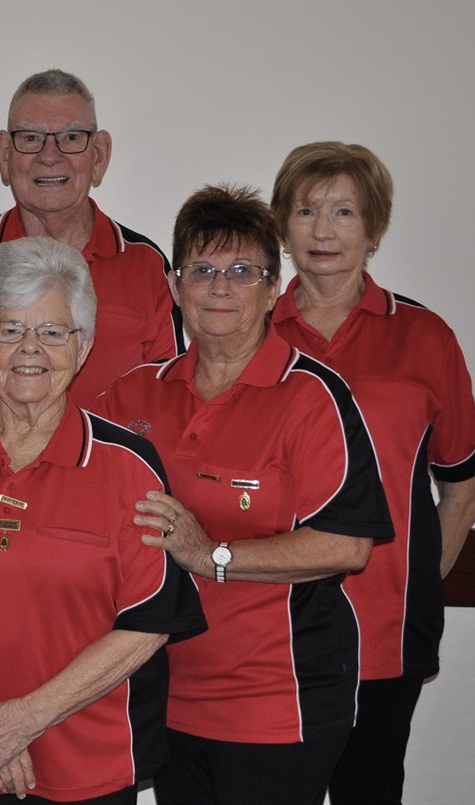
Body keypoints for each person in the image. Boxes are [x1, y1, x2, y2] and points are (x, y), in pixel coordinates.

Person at [97, 185, 394, 805]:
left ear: (271, 287)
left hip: (276, 705)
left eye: (241, 272)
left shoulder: (313, 397)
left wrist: (213, 556)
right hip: (161, 695)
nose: (221, 288)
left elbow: (348, 544)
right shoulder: (131, 397)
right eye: (201, 271)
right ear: (176, 289)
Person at [0, 237, 206, 803]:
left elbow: (147, 625)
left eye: (52, 332)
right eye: (9, 329)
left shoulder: (127, 467)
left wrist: (22, 720)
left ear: (84, 345)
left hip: (88, 765)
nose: (29, 349)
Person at [269, 142, 475, 805]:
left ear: (374, 230)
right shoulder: (249, 334)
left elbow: (463, 484)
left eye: (344, 211)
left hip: (386, 632)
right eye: (306, 210)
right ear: (283, 224)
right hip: (269, 630)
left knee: (370, 790)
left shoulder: (424, 337)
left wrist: (419, 576)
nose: (322, 230)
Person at [0, 69, 181, 432]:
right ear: (4, 154)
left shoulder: (146, 267)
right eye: (30, 138)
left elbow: (169, 403)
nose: (50, 156)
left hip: (108, 486)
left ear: (99, 156)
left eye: (71, 138)